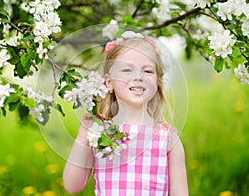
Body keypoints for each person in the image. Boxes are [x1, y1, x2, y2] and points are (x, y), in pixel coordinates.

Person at [63, 31, 188, 196]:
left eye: (148, 71)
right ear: (109, 83)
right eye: (127, 70)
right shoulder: (98, 133)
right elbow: (73, 185)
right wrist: (82, 138)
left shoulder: (168, 138)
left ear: (157, 82)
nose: (138, 77)